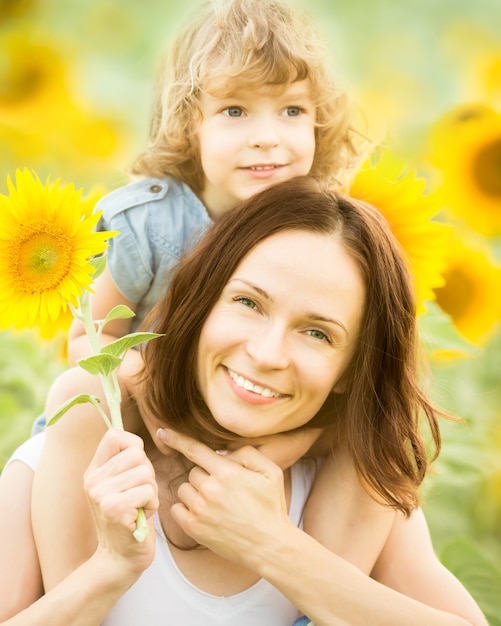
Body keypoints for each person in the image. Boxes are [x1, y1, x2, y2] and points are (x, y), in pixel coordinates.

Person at [1, 178, 486, 624]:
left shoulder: (354, 480)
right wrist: (108, 569)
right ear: (202, 302)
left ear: (351, 370)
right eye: (248, 303)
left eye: (317, 333)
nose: (266, 353)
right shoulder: (64, 457)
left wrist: (272, 545)